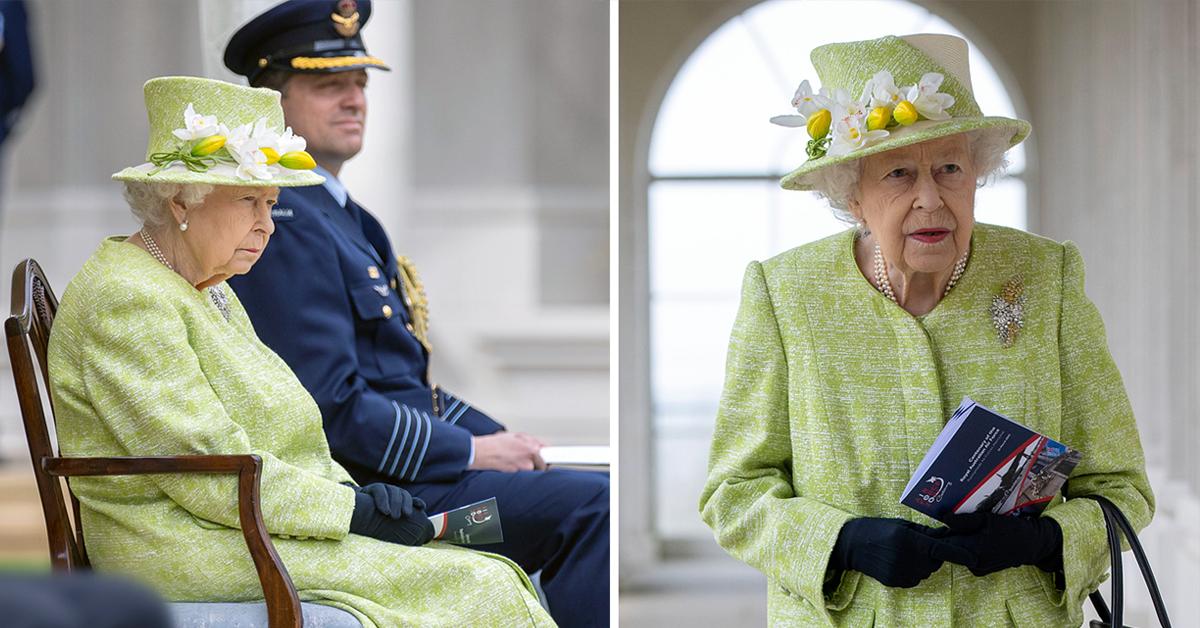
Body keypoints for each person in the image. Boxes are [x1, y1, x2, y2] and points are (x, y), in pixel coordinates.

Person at [47, 75, 553, 627]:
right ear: (177, 201)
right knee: (478, 584)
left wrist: (359, 494)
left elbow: (274, 429)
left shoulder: (202, 283)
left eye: (272, 203)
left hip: (237, 527)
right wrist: (352, 512)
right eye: (248, 201)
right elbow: (206, 470)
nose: (267, 226)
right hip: (180, 544)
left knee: (491, 571)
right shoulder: (128, 298)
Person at [699, 33, 1154, 627]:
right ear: (852, 195)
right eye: (897, 174)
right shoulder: (785, 293)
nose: (930, 200)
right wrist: (841, 542)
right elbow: (733, 493)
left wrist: (1045, 540)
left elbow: (1123, 490)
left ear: (976, 176)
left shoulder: (1047, 277)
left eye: (949, 169)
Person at [222, 3, 609, 625]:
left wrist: (495, 438)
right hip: (382, 495)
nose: (354, 101)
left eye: (360, 83)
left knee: (582, 479)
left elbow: (403, 383)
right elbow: (329, 405)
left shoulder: (342, 216)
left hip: (409, 472)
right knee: (595, 507)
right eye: (328, 86)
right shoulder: (285, 222)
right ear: (272, 101)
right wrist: (472, 453)